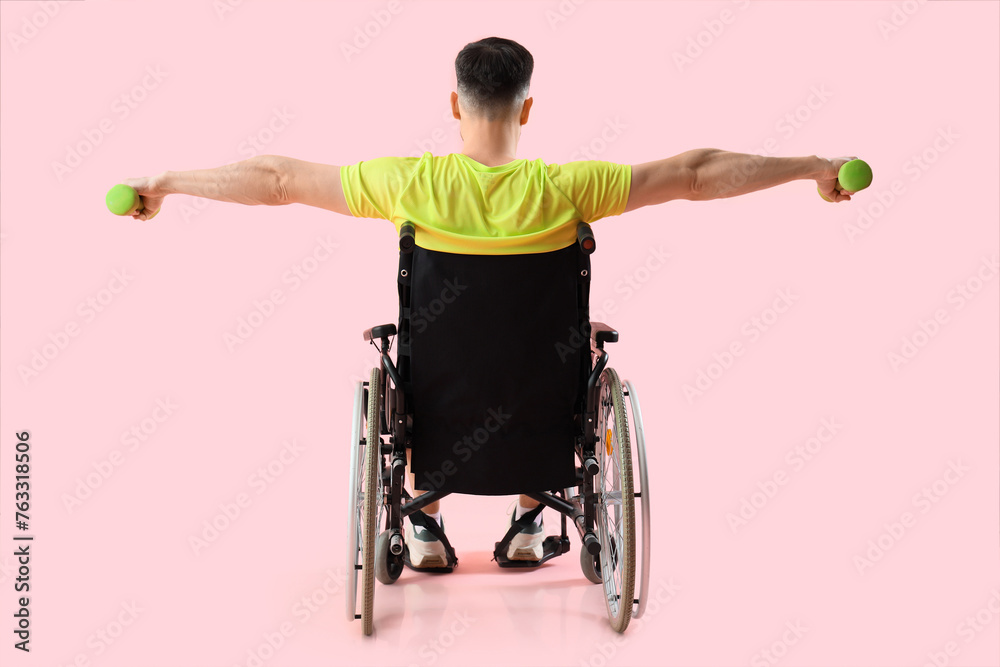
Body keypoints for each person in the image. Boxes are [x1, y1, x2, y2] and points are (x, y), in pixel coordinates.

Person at [120, 36, 858, 569]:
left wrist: (167, 182)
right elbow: (697, 172)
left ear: (453, 104)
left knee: (421, 357)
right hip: (545, 406)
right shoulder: (569, 188)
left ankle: (428, 525)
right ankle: (533, 518)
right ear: (527, 108)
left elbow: (277, 176)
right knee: (560, 353)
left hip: (440, 407)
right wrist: (811, 167)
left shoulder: (408, 183)